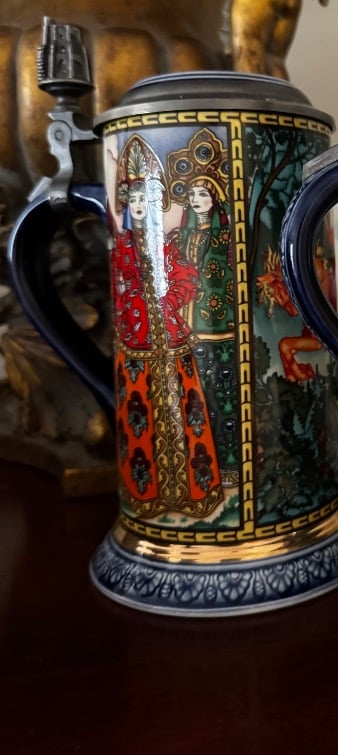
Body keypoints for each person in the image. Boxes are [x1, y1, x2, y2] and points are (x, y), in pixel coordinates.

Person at [111, 135, 223, 519]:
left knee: (185, 411)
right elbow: (118, 288)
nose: (139, 206)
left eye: (145, 199)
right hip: (138, 343)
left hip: (172, 340)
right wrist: (134, 305)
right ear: (127, 205)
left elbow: (187, 280)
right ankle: (149, 496)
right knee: (141, 415)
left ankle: (192, 493)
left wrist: (169, 300)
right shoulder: (123, 247)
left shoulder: (167, 246)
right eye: (133, 200)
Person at [167, 129, 238, 483]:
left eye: (203, 193)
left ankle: (229, 466)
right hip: (187, 330)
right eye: (192, 194)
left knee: (223, 398)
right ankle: (196, 469)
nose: (196, 200)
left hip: (221, 329)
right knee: (191, 397)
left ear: (215, 198)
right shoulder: (180, 237)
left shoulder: (227, 236)